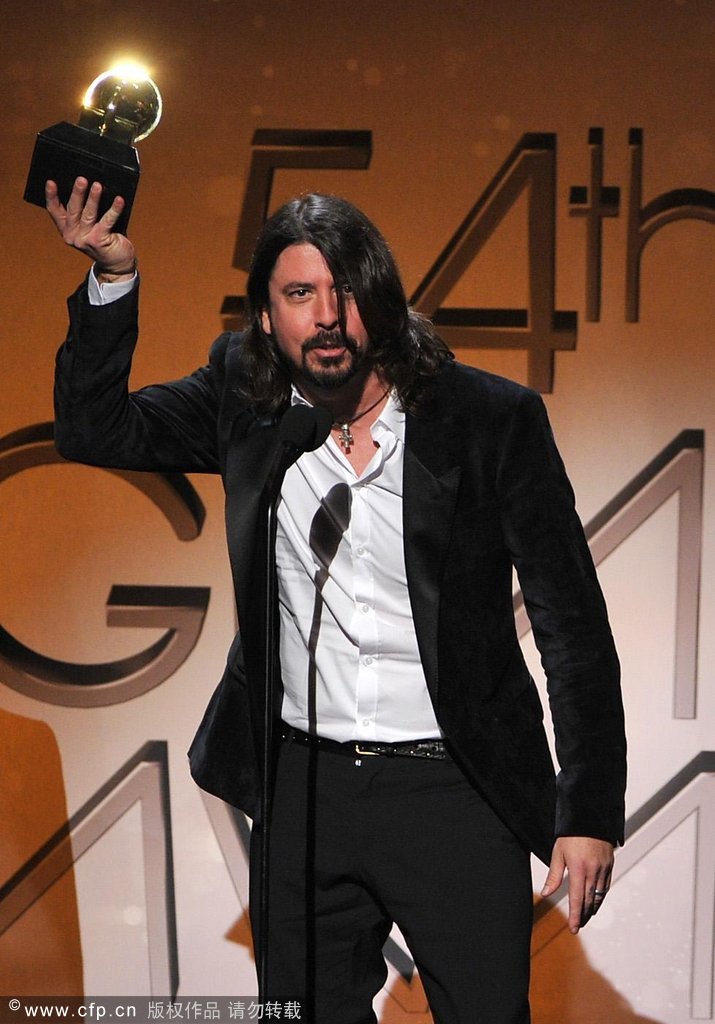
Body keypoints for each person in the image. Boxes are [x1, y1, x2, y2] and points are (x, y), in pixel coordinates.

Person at [46, 177, 626, 1024]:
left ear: (381, 300)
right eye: (299, 294)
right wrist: (113, 276)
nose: (325, 315)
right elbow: (93, 430)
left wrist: (589, 811)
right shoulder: (245, 403)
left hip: (454, 790)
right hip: (303, 784)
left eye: (345, 291)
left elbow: (571, 625)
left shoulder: (486, 420)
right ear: (267, 313)